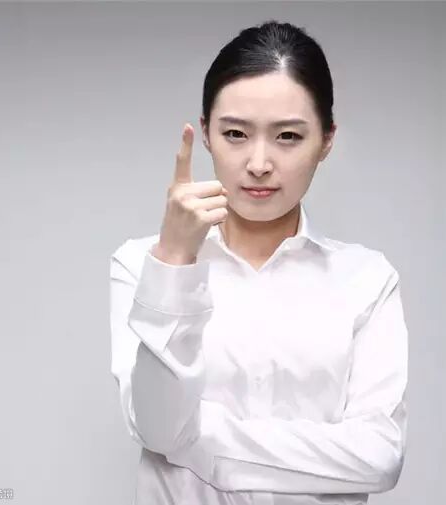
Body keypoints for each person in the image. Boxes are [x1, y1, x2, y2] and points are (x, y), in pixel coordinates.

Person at [109, 20, 408, 505]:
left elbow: (380, 457)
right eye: (235, 133)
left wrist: (196, 441)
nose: (259, 163)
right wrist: (175, 263)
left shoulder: (367, 280)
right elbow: (160, 429)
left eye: (288, 136)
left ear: (326, 140)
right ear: (207, 133)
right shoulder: (141, 264)